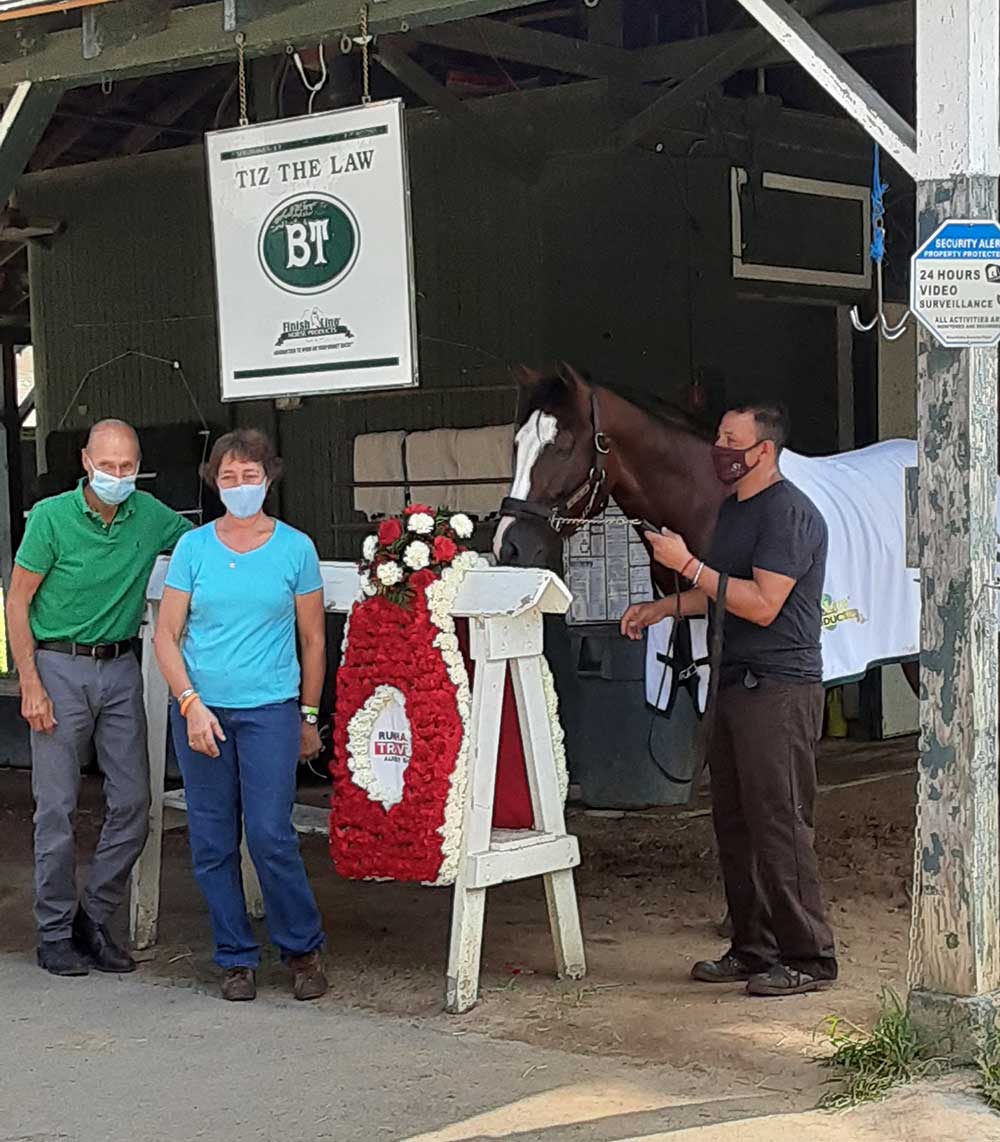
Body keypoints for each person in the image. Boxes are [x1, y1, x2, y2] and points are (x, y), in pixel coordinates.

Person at [621, 403, 837, 997]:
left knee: (780, 821)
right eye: (719, 435)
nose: (719, 446)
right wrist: (665, 606)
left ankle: (810, 955)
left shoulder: (790, 514)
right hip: (735, 680)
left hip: (779, 687)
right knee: (735, 821)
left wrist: (686, 565)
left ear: (763, 449)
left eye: (730, 438)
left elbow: (763, 603)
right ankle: (753, 945)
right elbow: (723, 592)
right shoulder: (736, 511)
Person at [6, 419, 192, 977]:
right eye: (107, 465)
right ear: (86, 461)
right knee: (57, 807)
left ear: (139, 465)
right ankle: (54, 932)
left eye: (127, 466)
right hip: (58, 664)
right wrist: (30, 682)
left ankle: (94, 916)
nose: (117, 476)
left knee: (135, 801)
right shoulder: (51, 518)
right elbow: (17, 603)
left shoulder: (150, 514)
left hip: (119, 667)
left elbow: (202, 544)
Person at [153, 428, 328, 1003]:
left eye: (249, 475)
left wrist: (307, 714)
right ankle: (234, 956)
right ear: (215, 482)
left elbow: (313, 639)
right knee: (211, 838)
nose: (239, 485)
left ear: (268, 478)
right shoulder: (195, 549)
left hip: (271, 710)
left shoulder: (295, 548)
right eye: (228, 476)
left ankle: (302, 949)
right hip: (201, 710)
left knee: (271, 832)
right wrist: (189, 703)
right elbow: (167, 634)